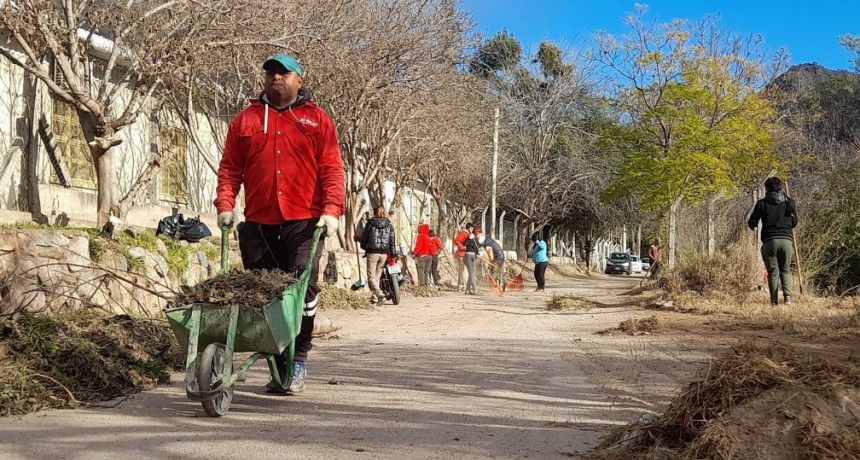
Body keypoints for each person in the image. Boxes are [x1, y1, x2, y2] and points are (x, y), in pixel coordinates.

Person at [214, 54, 344, 395]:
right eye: (271, 72)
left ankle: (298, 359)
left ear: (299, 80)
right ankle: (278, 362)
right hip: (258, 223)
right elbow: (230, 168)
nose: (276, 77)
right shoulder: (246, 120)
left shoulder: (318, 122)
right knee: (264, 297)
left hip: (304, 225)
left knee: (302, 292)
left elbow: (332, 169)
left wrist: (331, 211)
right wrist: (226, 205)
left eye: (284, 73)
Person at [748, 177, 798, 305]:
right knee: (786, 270)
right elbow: (794, 223)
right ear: (780, 187)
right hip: (787, 240)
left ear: (767, 188)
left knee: (773, 272)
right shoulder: (789, 202)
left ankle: (774, 300)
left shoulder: (762, 203)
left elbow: (752, 222)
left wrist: (753, 226)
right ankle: (788, 298)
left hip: (770, 240)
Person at [359, 205, 397, 305]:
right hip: (384, 254)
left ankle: (380, 295)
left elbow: (363, 238)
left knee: (371, 277)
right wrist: (393, 254)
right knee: (376, 276)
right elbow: (392, 241)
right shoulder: (389, 225)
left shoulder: (370, 223)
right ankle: (375, 297)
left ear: (374, 212)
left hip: (372, 253)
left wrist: (363, 245)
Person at [453, 223, 473, 291]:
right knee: (464, 271)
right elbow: (457, 240)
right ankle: (463, 285)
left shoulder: (469, 235)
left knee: (462, 271)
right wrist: (463, 247)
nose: (472, 230)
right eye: (472, 228)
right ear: (470, 228)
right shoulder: (464, 233)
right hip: (462, 254)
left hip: (466, 255)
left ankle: (461, 285)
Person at [463, 225, 481, 294]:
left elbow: (476, 248)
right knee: (472, 274)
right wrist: (469, 238)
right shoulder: (469, 237)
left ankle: (467, 290)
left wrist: (478, 252)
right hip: (468, 256)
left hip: (473, 256)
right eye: (479, 232)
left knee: (472, 274)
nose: (480, 234)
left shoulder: (475, 239)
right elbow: (464, 244)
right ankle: (475, 290)